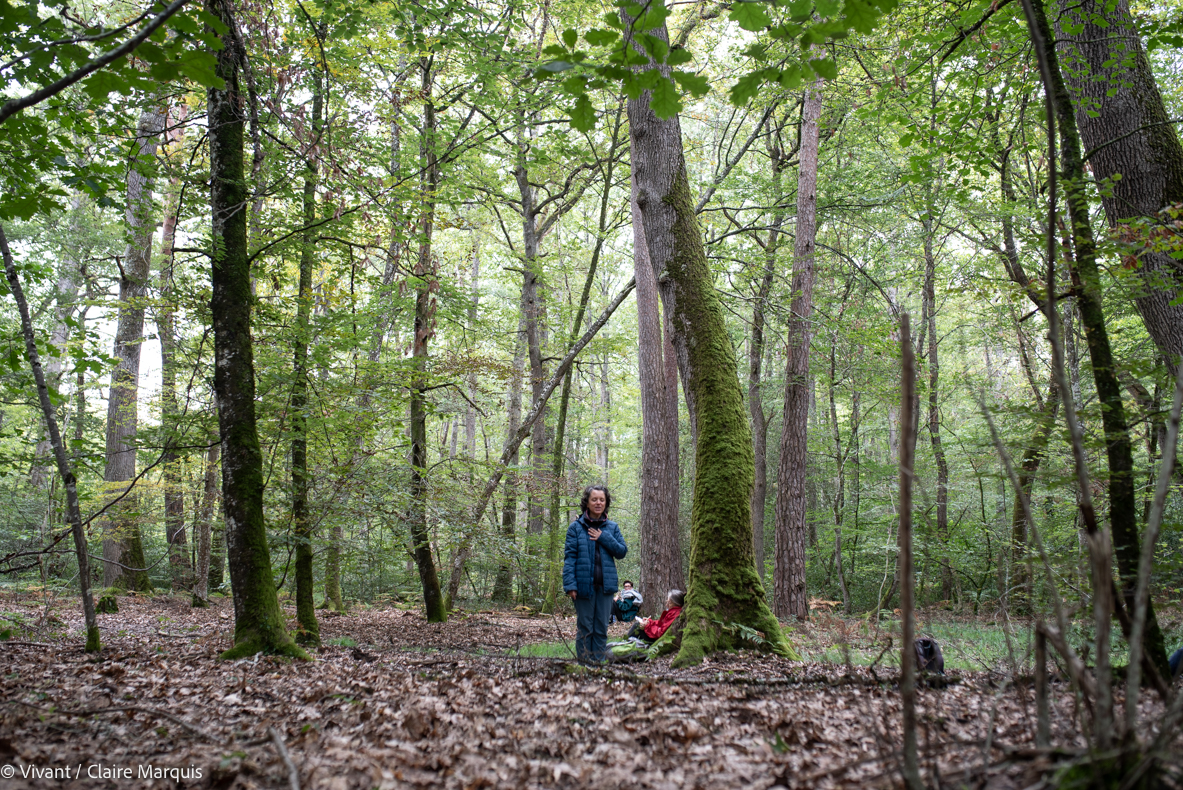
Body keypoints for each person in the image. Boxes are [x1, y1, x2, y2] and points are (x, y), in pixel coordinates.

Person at [562, 484, 628, 663]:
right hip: (583, 587)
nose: (598, 503)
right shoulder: (575, 528)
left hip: (606, 588)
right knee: (585, 628)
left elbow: (622, 551)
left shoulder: (612, 528)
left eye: (602, 500)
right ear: (587, 502)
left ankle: (597, 666)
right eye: (594, 499)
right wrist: (570, 585)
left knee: (601, 628)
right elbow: (570, 558)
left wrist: (603, 537)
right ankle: (584, 666)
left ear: (606, 503)